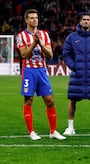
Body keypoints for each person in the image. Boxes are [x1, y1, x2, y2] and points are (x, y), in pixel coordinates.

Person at [16, 8, 66, 140]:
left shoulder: (44, 34)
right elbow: (24, 55)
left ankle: (53, 131)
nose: (35, 20)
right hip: (28, 71)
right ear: (26, 20)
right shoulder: (21, 36)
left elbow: (50, 55)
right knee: (28, 100)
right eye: (32, 18)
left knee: (50, 101)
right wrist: (34, 44)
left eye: (36, 18)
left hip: (42, 71)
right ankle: (31, 132)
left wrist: (41, 45)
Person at [62, 12, 90, 136]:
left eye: (88, 19)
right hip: (78, 74)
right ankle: (70, 127)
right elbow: (66, 54)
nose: (86, 21)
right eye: (84, 19)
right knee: (72, 100)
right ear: (80, 22)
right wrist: (73, 65)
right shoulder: (72, 37)